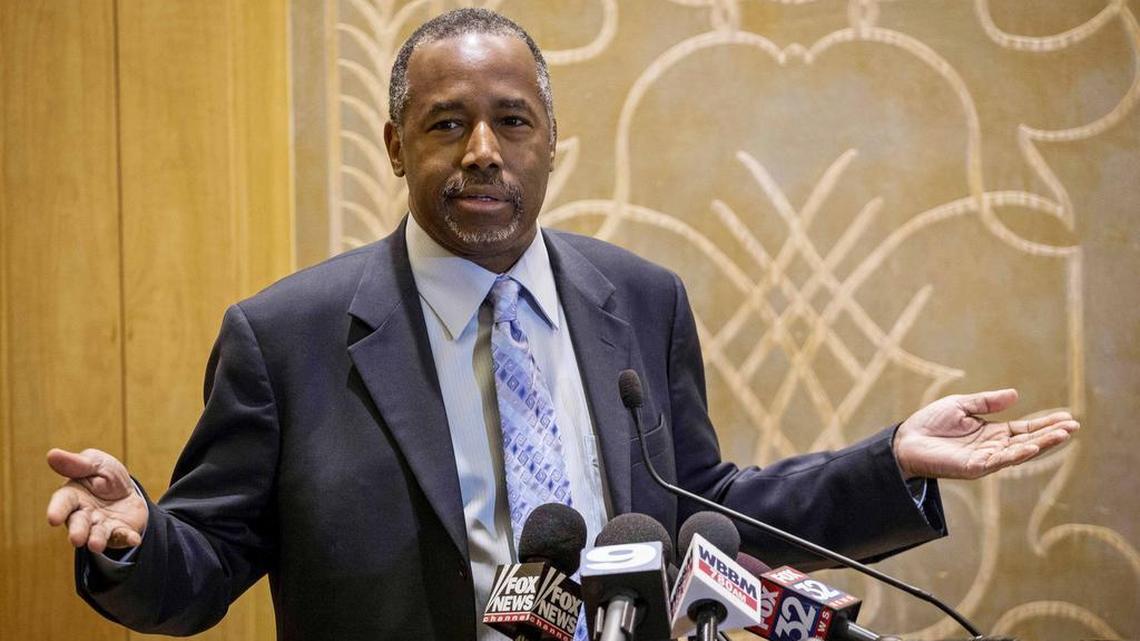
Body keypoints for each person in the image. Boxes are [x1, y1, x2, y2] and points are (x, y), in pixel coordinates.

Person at [45, 8, 1078, 641]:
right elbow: (205, 563)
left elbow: (701, 508)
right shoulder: (286, 337)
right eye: (447, 123)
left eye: (513, 121)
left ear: (552, 144)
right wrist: (139, 542)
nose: (483, 151)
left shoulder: (640, 298)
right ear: (398, 146)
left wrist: (891, 458)